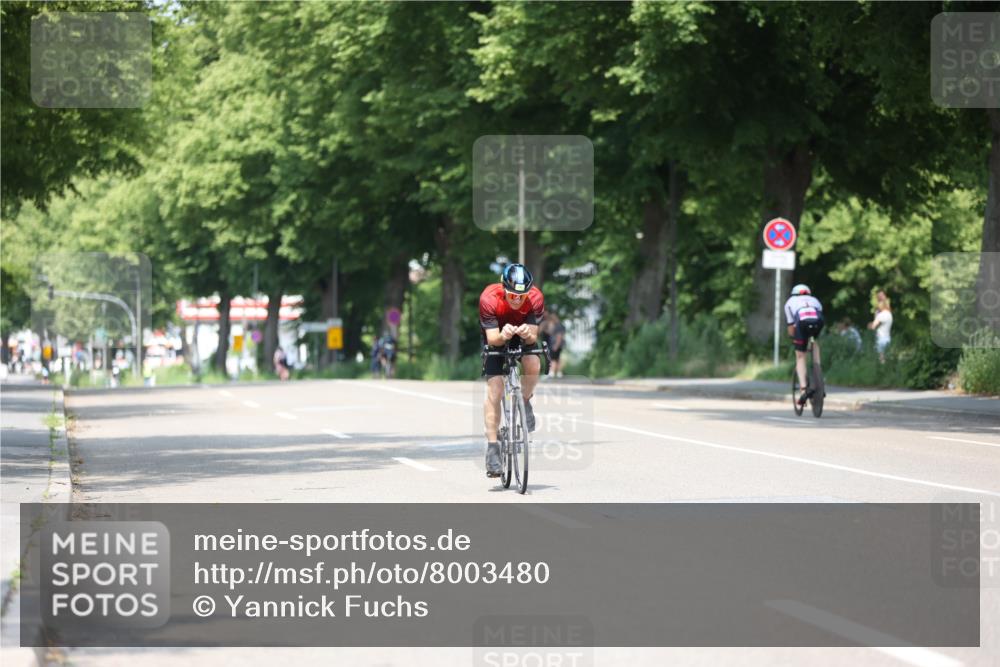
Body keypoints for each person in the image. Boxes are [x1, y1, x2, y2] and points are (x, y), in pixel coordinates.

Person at [479, 263, 544, 478]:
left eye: (522, 295)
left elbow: (533, 336)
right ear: (503, 287)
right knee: (495, 391)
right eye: (512, 295)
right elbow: (492, 339)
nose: (517, 299)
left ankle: (524, 401)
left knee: (534, 363)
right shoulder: (489, 298)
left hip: (521, 334)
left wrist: (527, 334)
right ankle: (492, 447)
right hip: (497, 334)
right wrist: (503, 335)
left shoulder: (535, 298)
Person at [784, 284, 824, 407]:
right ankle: (818, 369)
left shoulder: (789, 302)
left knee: (800, 356)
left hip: (801, 323)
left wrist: (794, 339)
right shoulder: (815, 300)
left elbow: (791, 328)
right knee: (814, 341)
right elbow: (817, 315)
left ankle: (803, 389)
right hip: (818, 321)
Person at [868, 297, 893, 363]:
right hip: (888, 338)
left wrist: (875, 316)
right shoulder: (889, 314)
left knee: (880, 359)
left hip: (880, 338)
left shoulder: (881, 315)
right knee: (886, 357)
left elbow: (873, 326)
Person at [544, 312, 566, 378]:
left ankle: (552, 372)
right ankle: (559, 373)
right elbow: (549, 332)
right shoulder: (556, 325)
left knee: (553, 358)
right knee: (557, 358)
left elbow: (559, 336)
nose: (551, 318)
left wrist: (556, 345)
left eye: (552, 317)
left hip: (556, 345)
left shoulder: (559, 326)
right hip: (556, 345)